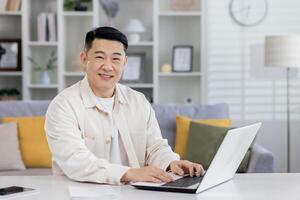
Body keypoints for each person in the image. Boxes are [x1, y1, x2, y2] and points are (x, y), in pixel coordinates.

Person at [45, 26, 204, 185]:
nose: (108, 66)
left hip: (132, 193)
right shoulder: (63, 105)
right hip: (78, 193)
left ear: (125, 62)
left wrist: (172, 163)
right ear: (84, 59)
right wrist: (129, 173)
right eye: (100, 57)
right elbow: (75, 161)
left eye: (115, 59)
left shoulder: (138, 101)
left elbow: (155, 148)